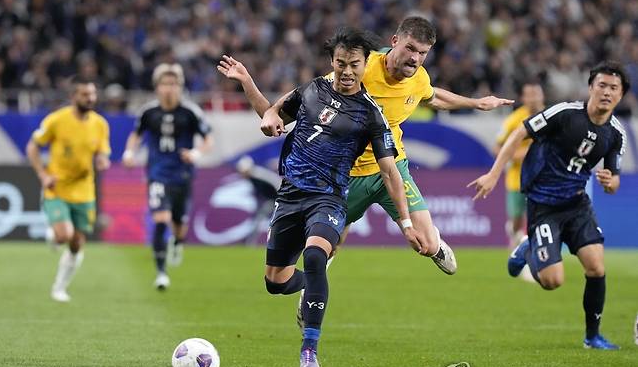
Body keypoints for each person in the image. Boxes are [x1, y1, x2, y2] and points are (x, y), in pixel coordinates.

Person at [218, 16, 513, 274]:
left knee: (426, 243)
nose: (415, 58)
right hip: (345, 176)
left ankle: (434, 243)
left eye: (422, 53)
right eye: (410, 49)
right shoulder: (359, 68)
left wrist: (476, 103)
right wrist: (269, 107)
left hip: (390, 168)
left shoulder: (418, 77)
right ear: (394, 41)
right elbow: (311, 95)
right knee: (325, 251)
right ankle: (313, 290)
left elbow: (432, 96)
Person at [257, 27, 421, 367]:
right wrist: (249, 86)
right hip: (289, 196)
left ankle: (309, 350)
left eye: (354, 65)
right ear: (332, 62)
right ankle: (312, 285)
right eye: (341, 63)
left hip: (329, 198)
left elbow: (391, 172)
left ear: (366, 65)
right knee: (275, 282)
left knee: (316, 255)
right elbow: (273, 115)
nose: (347, 71)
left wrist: (406, 223)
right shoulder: (313, 89)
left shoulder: (371, 114)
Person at [468, 61, 629, 350]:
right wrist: (494, 174)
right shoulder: (565, 113)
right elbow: (520, 132)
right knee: (553, 281)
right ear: (591, 87)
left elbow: (615, 180)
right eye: (601, 85)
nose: (606, 92)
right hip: (543, 204)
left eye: (613, 88)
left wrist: (610, 182)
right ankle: (528, 247)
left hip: (577, 204)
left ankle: (592, 336)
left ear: (621, 95)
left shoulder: (615, 134)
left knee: (596, 267)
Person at [122, 63, 214, 290]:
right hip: (157, 173)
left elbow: (208, 139)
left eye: (173, 84)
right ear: (157, 87)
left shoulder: (190, 112)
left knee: (179, 224)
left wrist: (195, 153)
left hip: (182, 174)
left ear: (180, 87)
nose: (169, 88)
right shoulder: (148, 112)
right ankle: (161, 273)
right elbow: (135, 135)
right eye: (165, 84)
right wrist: (129, 152)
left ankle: (178, 241)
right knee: (161, 220)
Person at [26, 76, 111, 302]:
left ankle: (59, 287)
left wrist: (102, 160)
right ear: (73, 96)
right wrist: (42, 175)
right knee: (65, 235)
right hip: (57, 188)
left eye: (92, 94)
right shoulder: (56, 120)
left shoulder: (100, 124)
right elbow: (33, 146)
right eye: (85, 94)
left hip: (84, 191)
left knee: (77, 243)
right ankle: (55, 235)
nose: (90, 98)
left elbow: (102, 151)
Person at [495, 81, 545, 249]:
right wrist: (519, 155)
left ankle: (535, 249)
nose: (533, 99)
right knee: (516, 218)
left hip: (543, 178)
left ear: (542, 96)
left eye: (536, 94)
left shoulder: (551, 116)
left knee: (539, 217)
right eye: (529, 95)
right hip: (518, 179)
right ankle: (515, 234)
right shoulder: (513, 120)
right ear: (523, 98)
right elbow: (497, 148)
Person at [235, 155, 282, 245]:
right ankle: (250, 241)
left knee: (267, 219)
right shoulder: (252, 177)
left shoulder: (258, 175)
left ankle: (250, 242)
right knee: (259, 218)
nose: (242, 174)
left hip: (278, 199)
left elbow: (276, 184)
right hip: (272, 199)